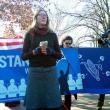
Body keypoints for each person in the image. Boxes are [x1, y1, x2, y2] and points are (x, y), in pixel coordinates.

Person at [21, 9, 63, 110]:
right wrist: (34, 52)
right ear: (36, 17)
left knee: (53, 105)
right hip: (35, 72)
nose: (44, 17)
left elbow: (59, 55)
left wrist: (51, 51)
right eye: (41, 15)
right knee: (34, 105)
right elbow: (23, 56)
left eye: (46, 15)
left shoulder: (52, 35)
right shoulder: (29, 34)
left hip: (50, 72)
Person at [60, 36, 77, 110]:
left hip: (68, 77)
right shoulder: (57, 49)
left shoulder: (73, 51)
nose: (68, 45)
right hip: (58, 76)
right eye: (67, 43)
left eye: (70, 43)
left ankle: (67, 108)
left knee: (68, 96)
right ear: (63, 42)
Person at [97, 29, 110, 110]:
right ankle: (100, 105)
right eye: (109, 33)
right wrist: (100, 42)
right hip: (106, 68)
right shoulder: (104, 42)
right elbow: (100, 47)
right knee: (103, 87)